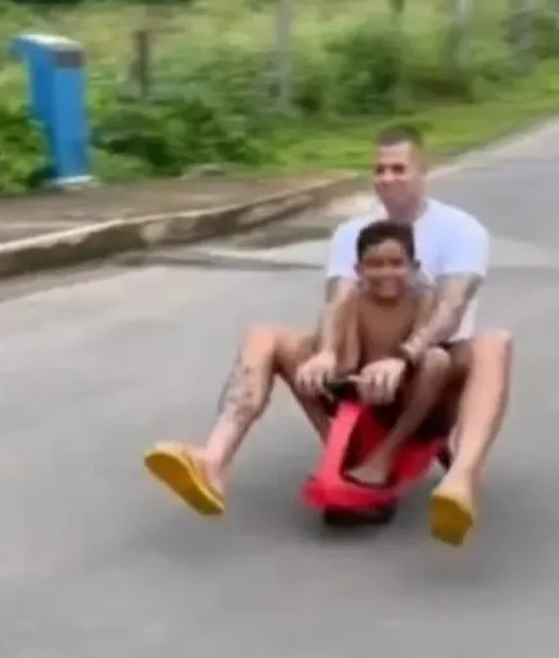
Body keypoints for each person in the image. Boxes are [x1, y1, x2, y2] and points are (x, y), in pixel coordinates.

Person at [143, 124, 512, 546]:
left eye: (398, 168)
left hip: (430, 374)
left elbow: (451, 307)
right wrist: (326, 353)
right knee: (264, 335)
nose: (387, 179)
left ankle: (461, 480)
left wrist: (404, 357)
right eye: (379, 169)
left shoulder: (461, 230)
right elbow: (339, 302)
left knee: (492, 343)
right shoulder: (352, 233)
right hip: (359, 368)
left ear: (422, 171)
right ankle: (213, 459)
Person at [326, 219, 451, 487]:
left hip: (411, 389)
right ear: (358, 270)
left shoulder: (423, 299)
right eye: (375, 265)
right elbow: (349, 360)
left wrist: (396, 369)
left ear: (414, 268)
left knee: (437, 358)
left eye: (396, 264)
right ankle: (339, 455)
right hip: (367, 388)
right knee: (306, 365)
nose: (386, 273)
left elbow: (421, 347)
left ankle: (385, 454)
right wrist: (339, 375)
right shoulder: (353, 301)